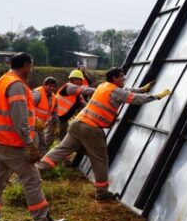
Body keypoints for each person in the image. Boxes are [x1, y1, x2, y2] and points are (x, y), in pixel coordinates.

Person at [36, 67, 171, 200]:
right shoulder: (114, 91)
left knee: (60, 150)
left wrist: (141, 89)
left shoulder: (103, 86)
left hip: (77, 124)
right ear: (114, 78)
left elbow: (124, 91)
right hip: (91, 129)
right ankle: (101, 192)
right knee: (100, 159)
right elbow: (134, 98)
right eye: (122, 76)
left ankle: (36, 170)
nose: (124, 78)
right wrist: (155, 96)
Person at [0, 53, 67, 221]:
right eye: (31, 66)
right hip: (14, 143)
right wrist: (29, 143)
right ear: (25, 65)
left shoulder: (2, 81)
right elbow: (19, 118)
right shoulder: (17, 85)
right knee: (32, 179)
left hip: (0, 140)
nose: (31, 70)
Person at [47, 69, 96, 148]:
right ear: (73, 79)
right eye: (80, 80)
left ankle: (67, 160)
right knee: (48, 141)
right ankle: (37, 158)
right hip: (56, 120)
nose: (81, 82)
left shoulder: (77, 95)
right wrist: (99, 90)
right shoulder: (69, 87)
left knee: (66, 143)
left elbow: (84, 106)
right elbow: (85, 90)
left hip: (63, 121)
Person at [32, 77, 59, 156]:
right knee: (35, 144)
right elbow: (26, 107)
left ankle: (40, 163)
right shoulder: (37, 93)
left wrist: (56, 126)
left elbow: (54, 113)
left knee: (43, 145)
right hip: (31, 124)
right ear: (44, 85)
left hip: (40, 126)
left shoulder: (54, 98)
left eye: (53, 86)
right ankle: (30, 164)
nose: (51, 88)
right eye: (49, 86)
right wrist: (34, 119)